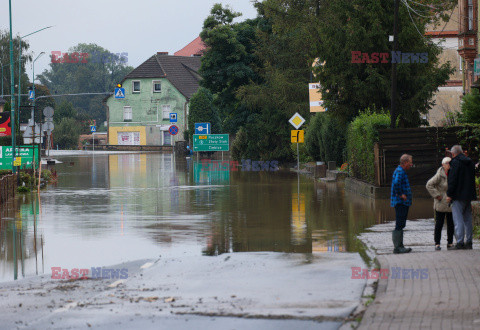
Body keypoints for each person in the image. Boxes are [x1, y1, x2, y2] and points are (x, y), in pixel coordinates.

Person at [447, 145, 476, 250]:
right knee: (467, 219)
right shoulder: (470, 162)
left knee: (458, 219)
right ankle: (469, 242)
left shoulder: (455, 163)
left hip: (458, 195)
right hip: (468, 195)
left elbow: (452, 180)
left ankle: (459, 242)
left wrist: (449, 194)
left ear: (453, 153)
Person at [426, 157, 454, 250]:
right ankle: (437, 243)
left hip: (450, 202)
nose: (449, 164)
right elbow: (429, 185)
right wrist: (437, 195)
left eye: (450, 163)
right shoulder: (439, 175)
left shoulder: (453, 173)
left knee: (451, 224)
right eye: (447, 163)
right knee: (439, 224)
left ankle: (450, 243)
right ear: (443, 164)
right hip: (441, 203)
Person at [390, 154, 414, 254]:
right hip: (400, 202)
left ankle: (400, 246)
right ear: (405, 163)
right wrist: (401, 194)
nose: (411, 164)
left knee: (400, 223)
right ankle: (398, 247)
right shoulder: (400, 171)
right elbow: (396, 183)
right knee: (399, 224)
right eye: (410, 162)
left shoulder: (400, 170)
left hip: (401, 202)